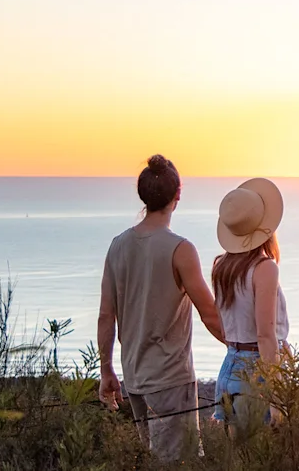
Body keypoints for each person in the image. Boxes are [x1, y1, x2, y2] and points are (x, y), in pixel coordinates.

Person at [98, 155, 226, 462]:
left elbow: (106, 316)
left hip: (136, 379)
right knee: (182, 464)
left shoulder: (117, 245)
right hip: (170, 379)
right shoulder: (180, 249)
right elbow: (209, 314)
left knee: (154, 460)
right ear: (177, 195)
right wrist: (246, 351)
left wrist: (107, 371)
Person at [211, 178, 289, 435]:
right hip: (256, 371)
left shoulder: (221, 267)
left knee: (238, 459)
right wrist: (277, 396)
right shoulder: (264, 268)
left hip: (229, 366)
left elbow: (226, 327)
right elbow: (265, 335)